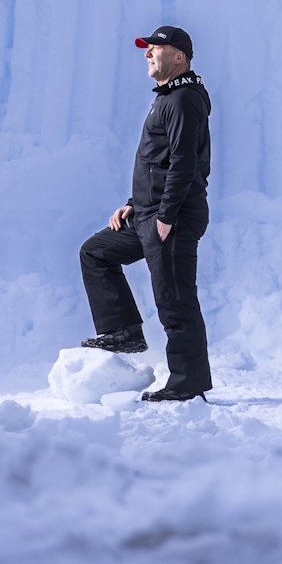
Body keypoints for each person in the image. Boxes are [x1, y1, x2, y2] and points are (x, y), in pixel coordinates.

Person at [78, 25, 214, 402]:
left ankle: (188, 384)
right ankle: (124, 331)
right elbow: (158, 162)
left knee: (175, 299)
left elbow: (185, 164)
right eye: (146, 48)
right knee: (95, 253)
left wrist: (166, 217)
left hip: (172, 217)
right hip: (148, 214)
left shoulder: (185, 98)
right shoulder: (168, 98)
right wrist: (134, 205)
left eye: (155, 47)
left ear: (179, 57)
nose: (147, 53)